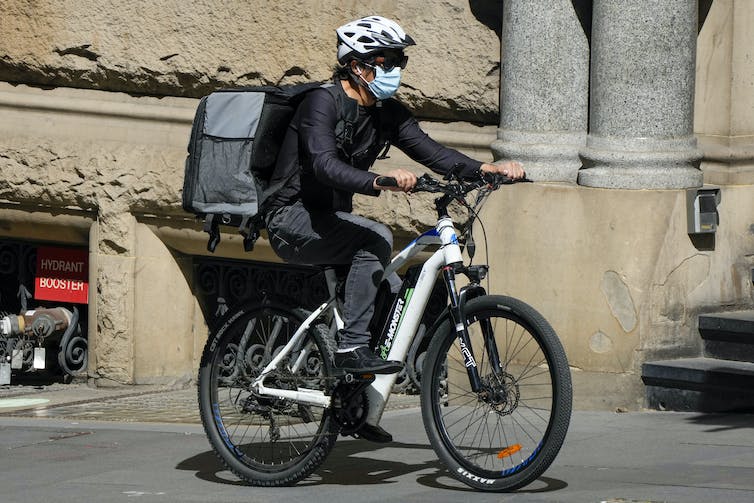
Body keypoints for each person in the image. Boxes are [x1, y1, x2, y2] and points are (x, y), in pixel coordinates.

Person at [264, 16, 524, 440]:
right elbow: (323, 164)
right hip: (289, 217)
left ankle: (354, 408)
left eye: (398, 60)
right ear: (356, 64)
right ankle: (349, 349)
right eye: (385, 60)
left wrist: (485, 169)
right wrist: (378, 180)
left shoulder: (386, 113)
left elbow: (432, 152)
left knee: (386, 286)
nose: (394, 70)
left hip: (328, 220)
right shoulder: (321, 103)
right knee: (377, 239)